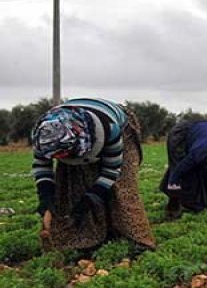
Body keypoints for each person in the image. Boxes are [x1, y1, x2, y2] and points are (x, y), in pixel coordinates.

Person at [31, 98, 155, 252]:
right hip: (77, 136)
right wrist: (46, 198)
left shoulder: (109, 128)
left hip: (121, 128)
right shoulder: (44, 134)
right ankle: (85, 240)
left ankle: (138, 240)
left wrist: (90, 199)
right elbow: (42, 166)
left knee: (123, 187)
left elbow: (111, 171)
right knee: (70, 188)